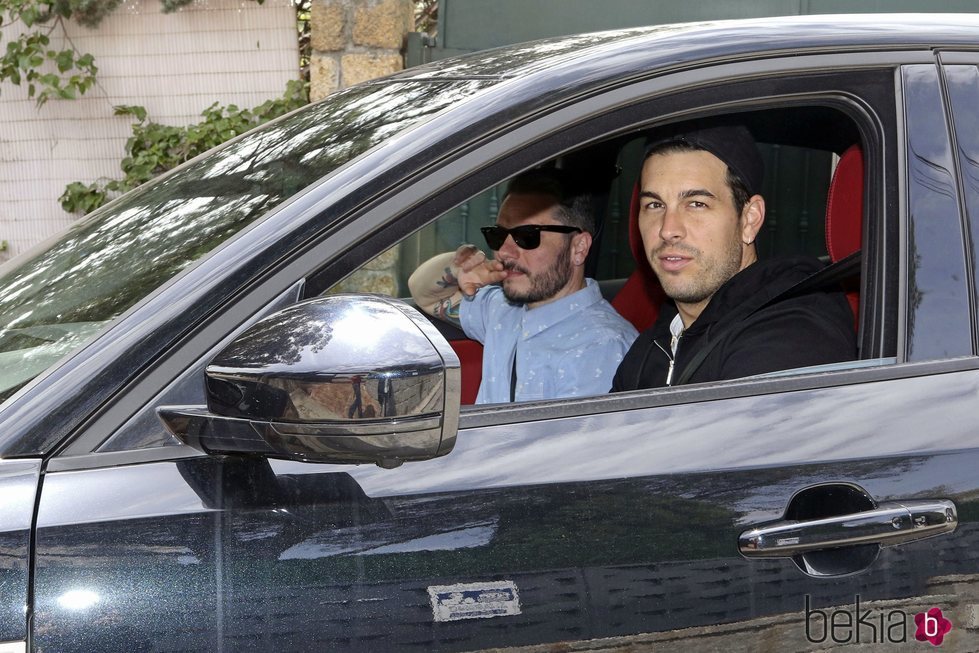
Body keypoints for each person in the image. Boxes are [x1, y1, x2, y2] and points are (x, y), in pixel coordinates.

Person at [611, 123, 857, 391]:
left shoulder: (793, 335)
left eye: (696, 204)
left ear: (750, 220)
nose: (668, 229)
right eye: (655, 205)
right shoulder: (651, 346)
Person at [409, 168, 638, 403]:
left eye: (527, 236)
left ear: (578, 248)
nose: (504, 252)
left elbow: (575, 440)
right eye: (498, 235)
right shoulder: (504, 309)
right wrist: (456, 268)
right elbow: (424, 292)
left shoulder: (601, 347)